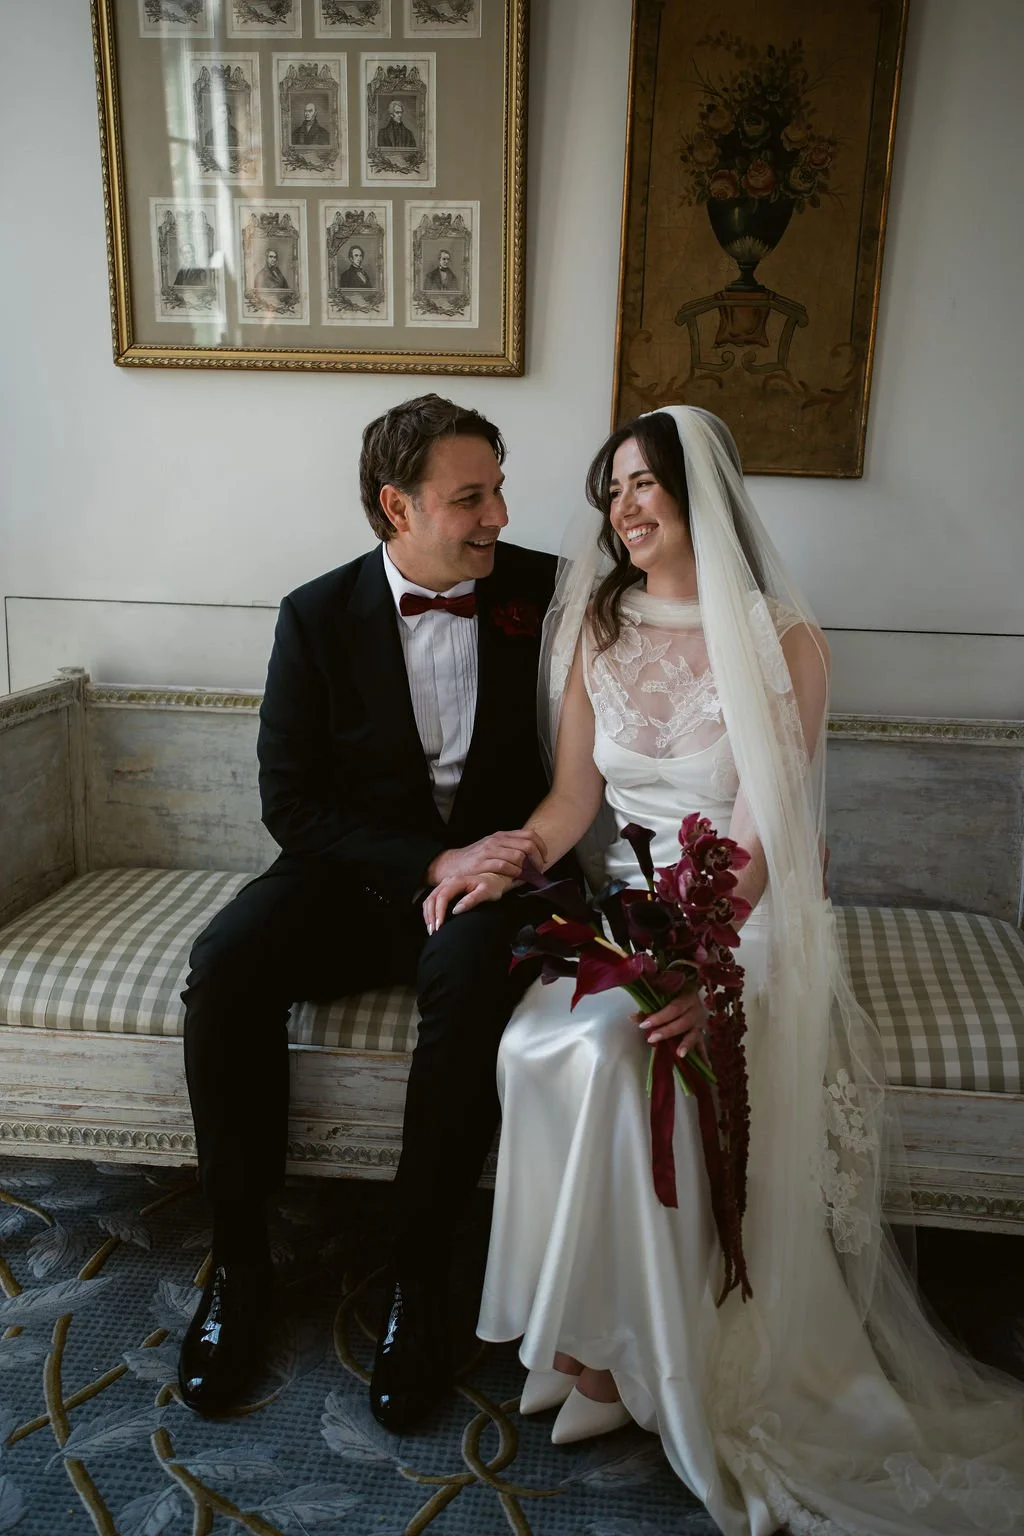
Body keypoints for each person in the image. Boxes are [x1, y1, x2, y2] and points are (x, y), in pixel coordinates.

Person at [424, 406, 1024, 1535]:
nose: (625, 508)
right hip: (626, 914)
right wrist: (510, 857)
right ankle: (585, 1341)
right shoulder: (592, 625)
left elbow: (758, 845)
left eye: (645, 484)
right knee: (534, 1042)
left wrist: (705, 971)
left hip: (740, 920)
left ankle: (634, 1360)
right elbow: (571, 800)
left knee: (617, 1050)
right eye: (612, 492)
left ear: (702, 491)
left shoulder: (780, 639)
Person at [177, 394, 576, 1434]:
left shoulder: (550, 593)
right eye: (469, 497)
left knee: (467, 987)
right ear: (396, 506)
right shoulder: (314, 613)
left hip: (497, 883)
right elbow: (290, 803)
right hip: (357, 879)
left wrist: (501, 859)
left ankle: (417, 1285)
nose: (496, 516)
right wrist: (426, 859)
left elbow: (591, 759)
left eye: (497, 489)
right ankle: (240, 1267)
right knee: (224, 965)